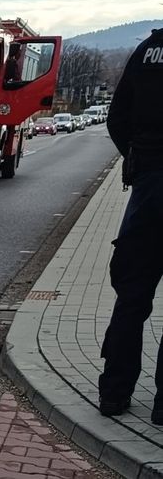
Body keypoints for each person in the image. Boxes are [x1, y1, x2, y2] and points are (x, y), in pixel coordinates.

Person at [98, 27, 163, 420]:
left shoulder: (147, 51)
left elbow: (116, 118)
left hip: (148, 191)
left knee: (131, 299)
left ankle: (114, 394)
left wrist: (138, 163)